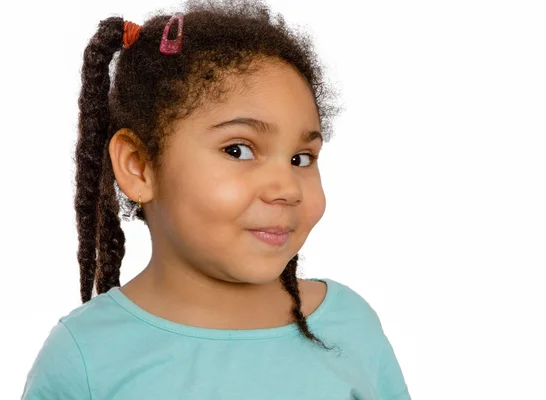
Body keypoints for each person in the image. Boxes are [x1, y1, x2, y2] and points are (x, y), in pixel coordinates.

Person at [21, 0, 411, 398]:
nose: (288, 188)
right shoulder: (84, 355)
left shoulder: (350, 326)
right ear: (139, 166)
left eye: (301, 158)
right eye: (238, 150)